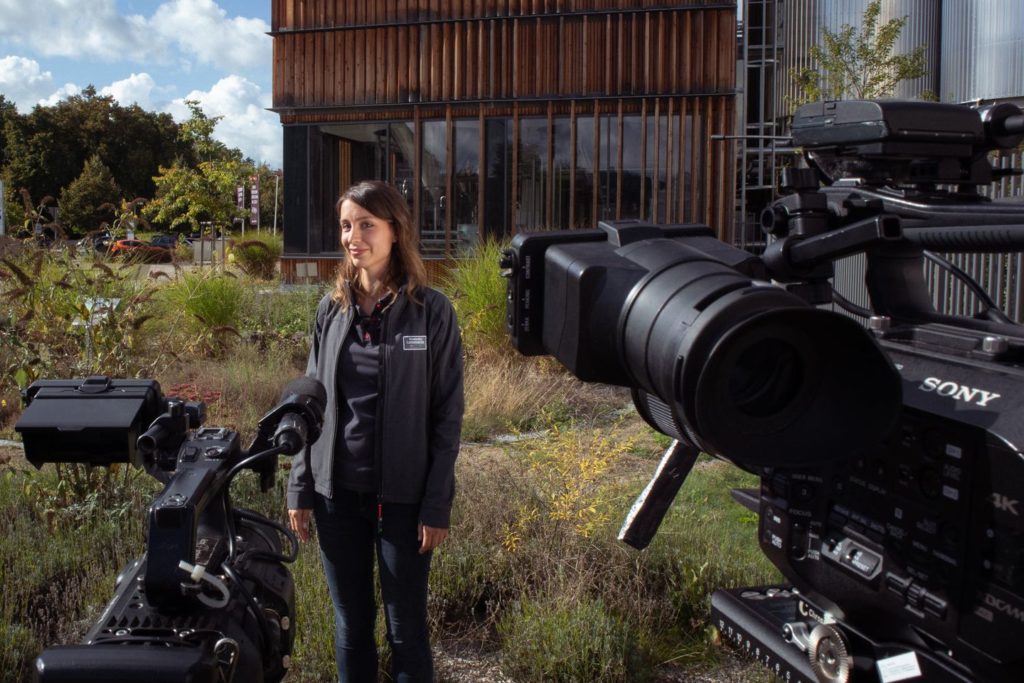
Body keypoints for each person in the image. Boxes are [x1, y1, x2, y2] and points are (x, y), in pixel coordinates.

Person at [287, 180, 464, 682]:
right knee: (352, 625)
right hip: (336, 496)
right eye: (346, 225)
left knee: (406, 628)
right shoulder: (332, 308)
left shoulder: (432, 311)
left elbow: (447, 416)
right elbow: (309, 403)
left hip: (405, 500)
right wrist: (300, 485)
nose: (353, 236)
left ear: (395, 230)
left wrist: (436, 502)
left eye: (366, 224)